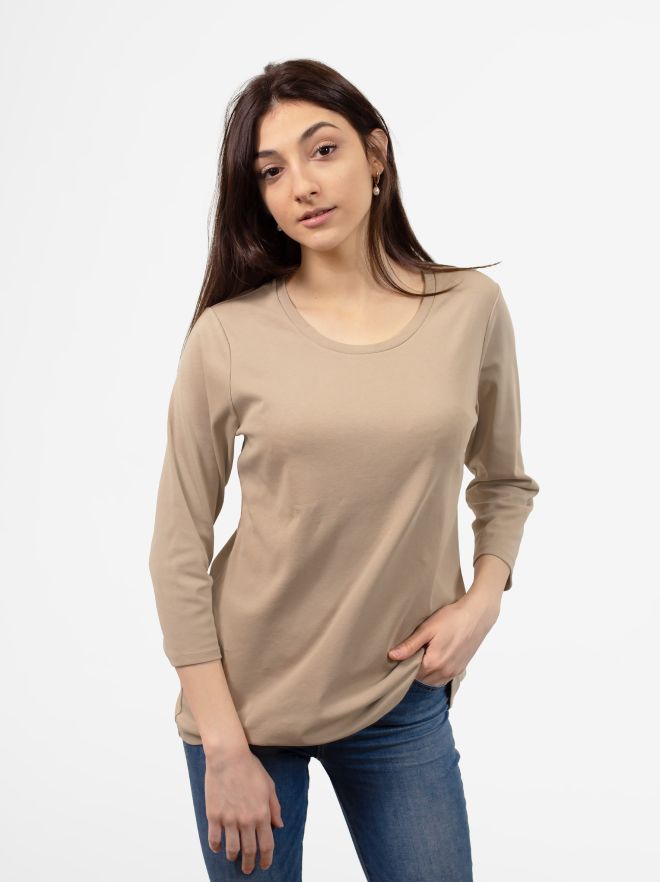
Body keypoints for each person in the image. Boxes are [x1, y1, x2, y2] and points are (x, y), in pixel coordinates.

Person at [148, 58, 540, 881]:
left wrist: (483, 601)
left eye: (322, 150)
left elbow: (504, 482)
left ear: (376, 153)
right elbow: (178, 547)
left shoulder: (469, 308)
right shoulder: (228, 336)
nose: (301, 185)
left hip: (399, 695)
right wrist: (222, 744)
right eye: (271, 171)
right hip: (245, 707)